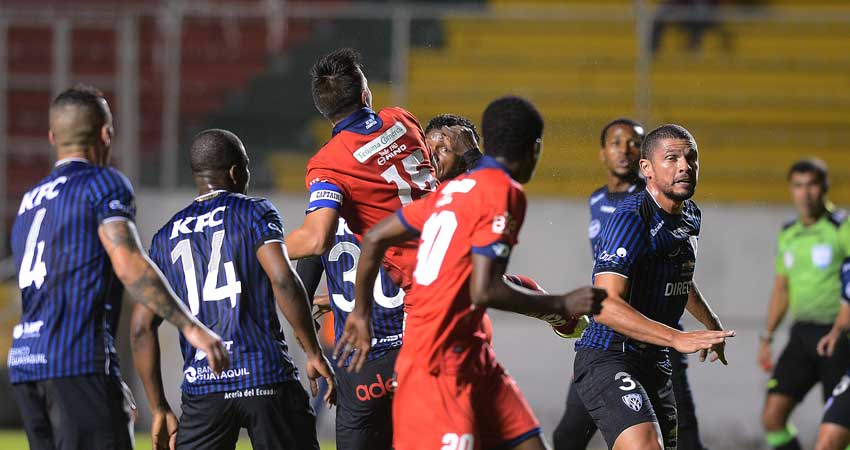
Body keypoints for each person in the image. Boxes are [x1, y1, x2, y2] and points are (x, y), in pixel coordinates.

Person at [339, 95, 606, 450]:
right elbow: (485, 289)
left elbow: (377, 238)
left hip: (473, 353)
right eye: (429, 151)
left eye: (443, 150)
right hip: (438, 363)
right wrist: (562, 303)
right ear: (535, 148)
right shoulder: (496, 192)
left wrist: (358, 311)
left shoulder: (449, 196)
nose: (433, 159)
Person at [8, 85, 227, 450]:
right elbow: (127, 263)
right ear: (106, 134)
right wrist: (191, 327)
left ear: (51, 137)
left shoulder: (29, 202)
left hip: (28, 366)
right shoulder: (103, 183)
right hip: (76, 361)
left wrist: (106, 372)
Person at [130, 129, 334, 450]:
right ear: (236, 172)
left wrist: (158, 408)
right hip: (264, 376)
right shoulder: (254, 211)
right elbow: (282, 279)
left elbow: (142, 328)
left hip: (204, 386)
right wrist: (312, 351)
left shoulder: (165, 237)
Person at [292, 112, 482, 450]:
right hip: (416, 350)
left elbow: (298, 293)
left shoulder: (322, 225)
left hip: (359, 364)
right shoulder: (425, 208)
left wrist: (314, 348)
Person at [573, 124, 734, 450]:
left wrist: (711, 321)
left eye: (691, 158)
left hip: (655, 361)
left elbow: (678, 277)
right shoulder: (630, 218)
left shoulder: (689, 214)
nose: (684, 166)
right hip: (609, 357)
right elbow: (604, 305)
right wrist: (677, 337)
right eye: (672, 158)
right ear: (646, 168)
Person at [284, 48, 437, 299]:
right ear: (365, 95)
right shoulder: (402, 119)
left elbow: (316, 239)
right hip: (457, 250)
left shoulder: (329, 163)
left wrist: (258, 250)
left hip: (426, 284)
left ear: (323, 109)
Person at [758, 159, 850, 450]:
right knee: (773, 417)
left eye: (811, 185)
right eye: (798, 186)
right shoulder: (789, 233)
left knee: (837, 430)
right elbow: (781, 288)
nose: (805, 193)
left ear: (824, 188)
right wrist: (767, 336)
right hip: (801, 336)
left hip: (839, 337)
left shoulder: (842, 228)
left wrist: (839, 328)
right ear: (791, 190)